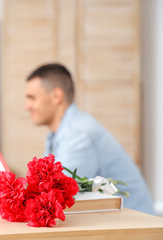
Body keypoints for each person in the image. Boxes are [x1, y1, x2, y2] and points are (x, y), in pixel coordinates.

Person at [24, 63, 155, 215]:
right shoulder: (58, 134)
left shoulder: (78, 134)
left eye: (32, 98)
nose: (27, 106)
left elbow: (56, 195)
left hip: (136, 226)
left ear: (56, 96)